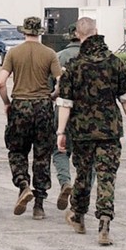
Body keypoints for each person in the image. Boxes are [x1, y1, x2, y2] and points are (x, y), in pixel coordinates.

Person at [57, 17, 126, 245]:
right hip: (110, 130)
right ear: (97, 32)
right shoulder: (115, 62)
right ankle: (104, 221)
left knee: (83, 175)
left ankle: (78, 216)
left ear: (78, 34)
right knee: (106, 176)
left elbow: (65, 103)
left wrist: (60, 132)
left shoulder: (74, 66)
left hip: (82, 131)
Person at [0, 16, 62, 220]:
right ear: (40, 32)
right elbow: (61, 81)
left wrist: (7, 103)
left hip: (20, 106)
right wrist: (53, 95)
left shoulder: (14, 53)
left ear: (23, 31)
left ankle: (23, 184)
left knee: (17, 151)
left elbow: (0, 82)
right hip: (43, 106)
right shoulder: (49, 53)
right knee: (42, 156)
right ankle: (39, 206)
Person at [52, 24, 81, 210]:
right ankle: (80, 192)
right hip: (88, 115)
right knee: (88, 158)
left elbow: (52, 88)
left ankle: (65, 182)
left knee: (60, 150)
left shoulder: (60, 57)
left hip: (63, 109)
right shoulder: (98, 57)